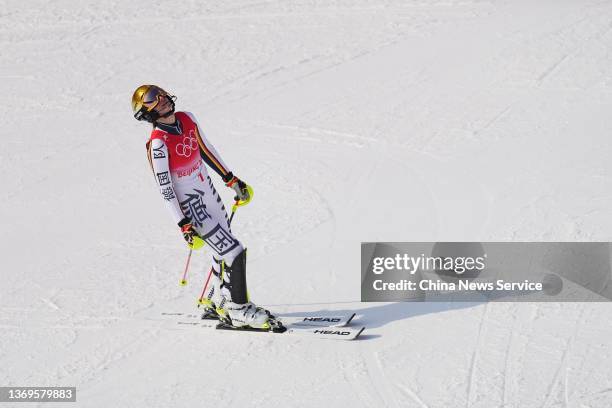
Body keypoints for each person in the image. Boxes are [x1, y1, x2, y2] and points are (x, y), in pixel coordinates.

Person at [131, 84, 271, 330]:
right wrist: (183, 224)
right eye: (153, 99)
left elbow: (206, 149)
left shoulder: (187, 119)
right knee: (234, 251)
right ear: (146, 112)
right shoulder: (158, 144)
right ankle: (238, 310)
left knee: (224, 248)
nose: (162, 99)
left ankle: (218, 300)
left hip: (209, 194)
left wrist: (231, 179)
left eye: (161, 93)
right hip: (192, 206)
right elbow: (165, 189)